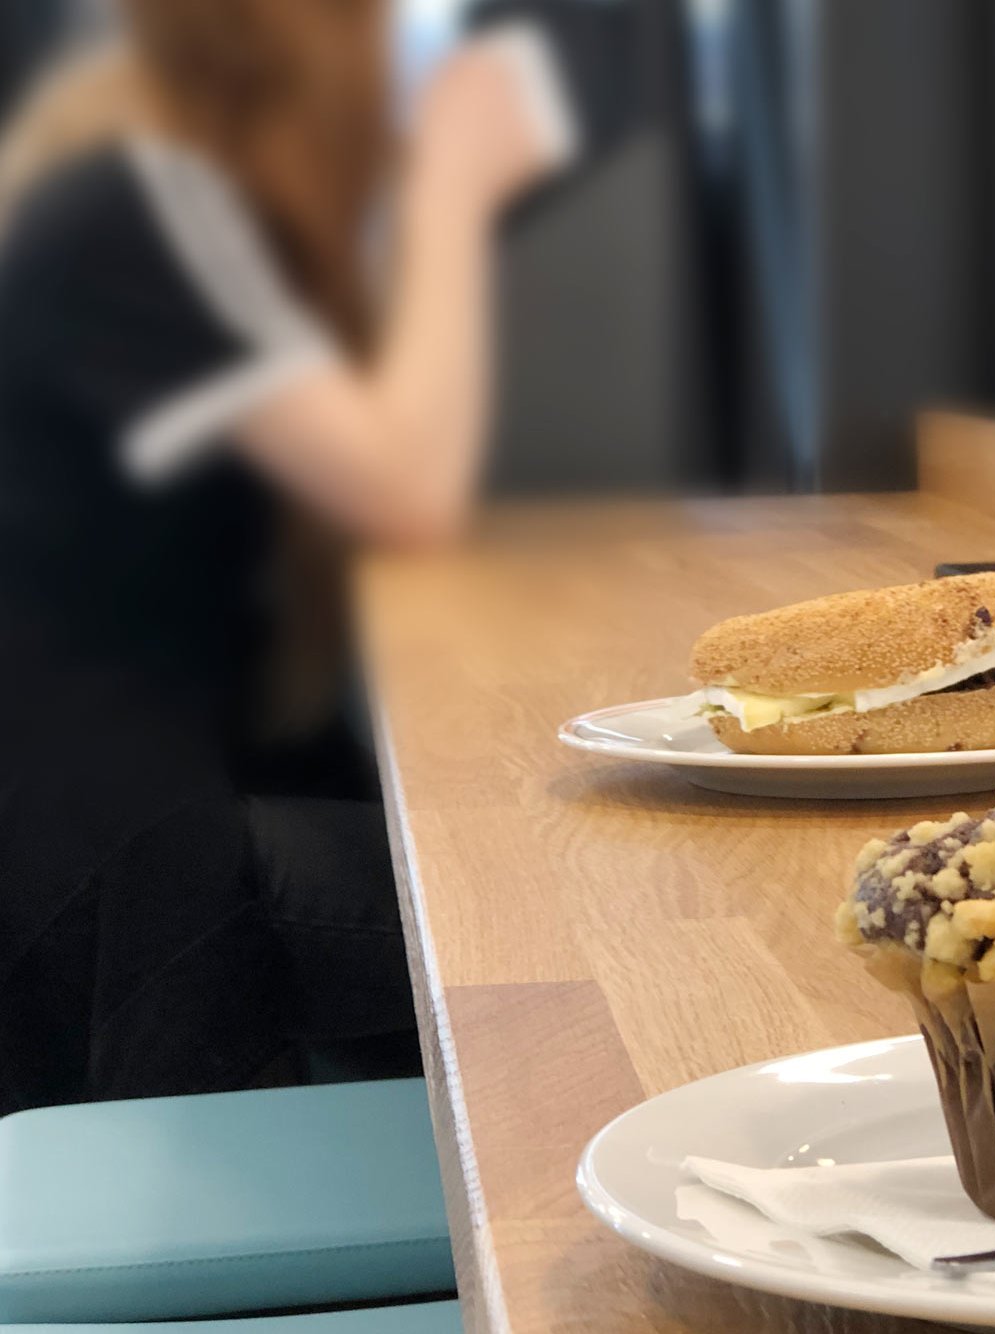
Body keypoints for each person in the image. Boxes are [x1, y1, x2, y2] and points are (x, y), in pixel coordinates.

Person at [0, 0, 573, 1112]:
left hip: (135, 795)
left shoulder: (152, 198)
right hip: (113, 852)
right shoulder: (126, 212)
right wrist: (449, 188)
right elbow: (407, 491)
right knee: (565, 909)